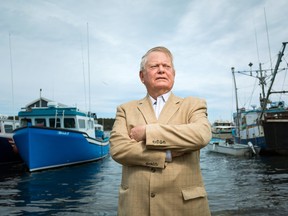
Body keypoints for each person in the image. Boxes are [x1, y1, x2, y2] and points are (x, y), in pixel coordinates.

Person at [110, 46, 211, 216]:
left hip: (185, 208)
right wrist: (166, 155)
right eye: (154, 66)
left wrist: (148, 133)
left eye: (167, 66)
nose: (162, 70)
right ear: (142, 76)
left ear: (174, 73)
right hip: (136, 208)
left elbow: (201, 134)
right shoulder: (125, 109)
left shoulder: (193, 104)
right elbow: (119, 149)